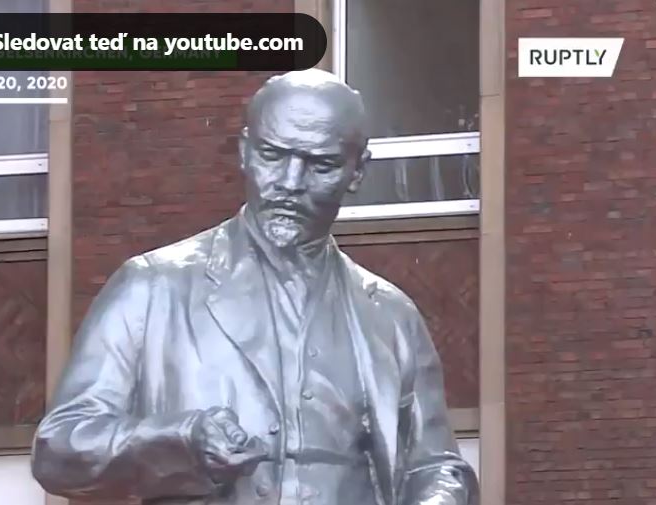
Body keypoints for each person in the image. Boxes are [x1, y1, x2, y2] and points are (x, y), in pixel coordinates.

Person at [31, 69, 479, 505]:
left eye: (320, 165)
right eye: (272, 156)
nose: (290, 183)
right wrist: (181, 440)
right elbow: (60, 448)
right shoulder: (151, 287)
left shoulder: (392, 316)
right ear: (245, 152)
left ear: (357, 171)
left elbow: (435, 465)